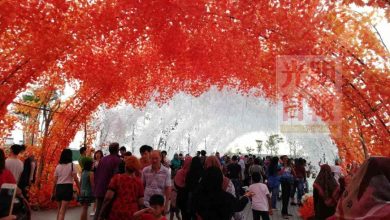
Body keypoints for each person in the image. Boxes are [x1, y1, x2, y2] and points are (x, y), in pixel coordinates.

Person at [98, 156, 144, 220]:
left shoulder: (117, 178)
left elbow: (108, 197)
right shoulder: (139, 182)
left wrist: (101, 213)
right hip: (133, 213)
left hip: (117, 212)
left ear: (125, 166)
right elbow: (141, 202)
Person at [94, 143, 121, 220]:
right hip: (109, 190)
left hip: (99, 188)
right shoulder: (117, 161)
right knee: (108, 212)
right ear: (117, 150)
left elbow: (97, 173)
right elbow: (116, 176)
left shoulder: (103, 159)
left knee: (98, 210)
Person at [52, 149, 80, 220]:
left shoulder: (58, 166)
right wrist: (79, 189)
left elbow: (54, 181)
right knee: (63, 211)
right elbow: (76, 179)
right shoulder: (72, 165)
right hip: (67, 188)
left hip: (58, 188)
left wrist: (53, 192)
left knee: (59, 210)